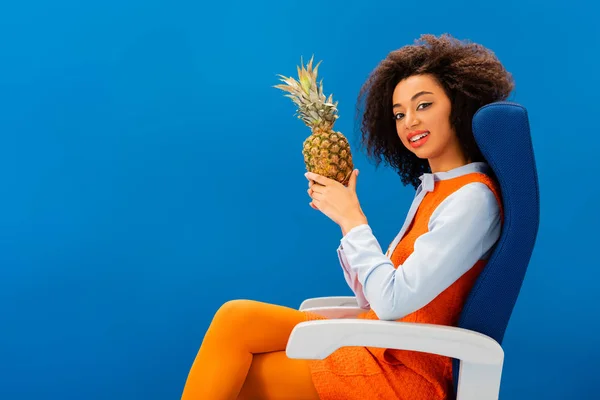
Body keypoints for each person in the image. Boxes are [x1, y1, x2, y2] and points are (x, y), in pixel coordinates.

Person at [180, 33, 514, 400]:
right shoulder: (437, 190)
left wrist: (353, 218)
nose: (409, 123)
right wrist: (345, 220)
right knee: (236, 319)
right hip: (381, 344)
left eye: (423, 105)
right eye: (399, 113)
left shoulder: (472, 198)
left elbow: (391, 302)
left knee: (239, 378)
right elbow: (374, 301)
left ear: (459, 104)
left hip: (403, 371)